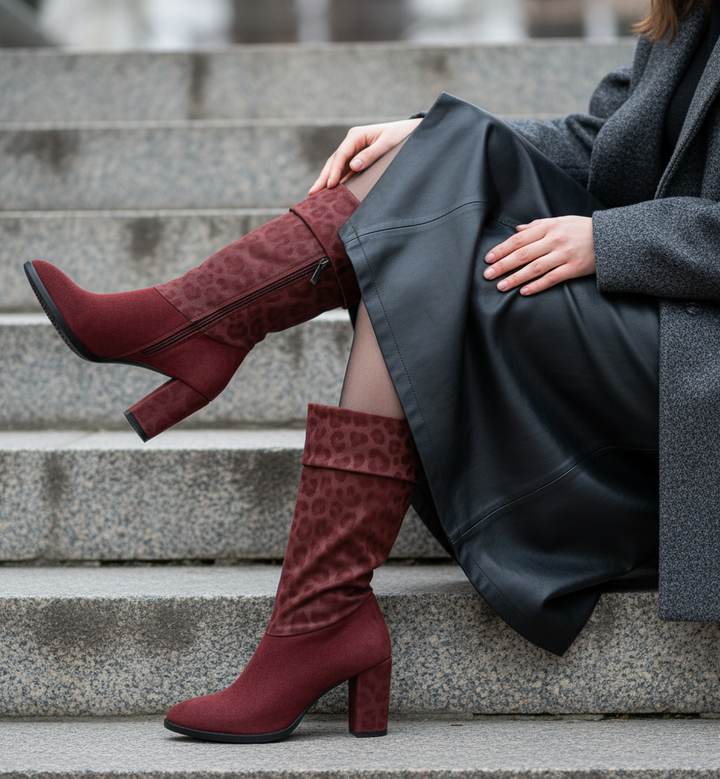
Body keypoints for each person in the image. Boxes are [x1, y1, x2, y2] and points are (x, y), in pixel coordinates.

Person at [24, 0, 720, 743]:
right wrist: (432, 141)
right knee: (417, 193)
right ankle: (316, 610)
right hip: (655, 332)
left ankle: (196, 331)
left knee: (426, 256)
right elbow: (603, 146)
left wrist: (610, 239)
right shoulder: (690, 13)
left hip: (692, 362)